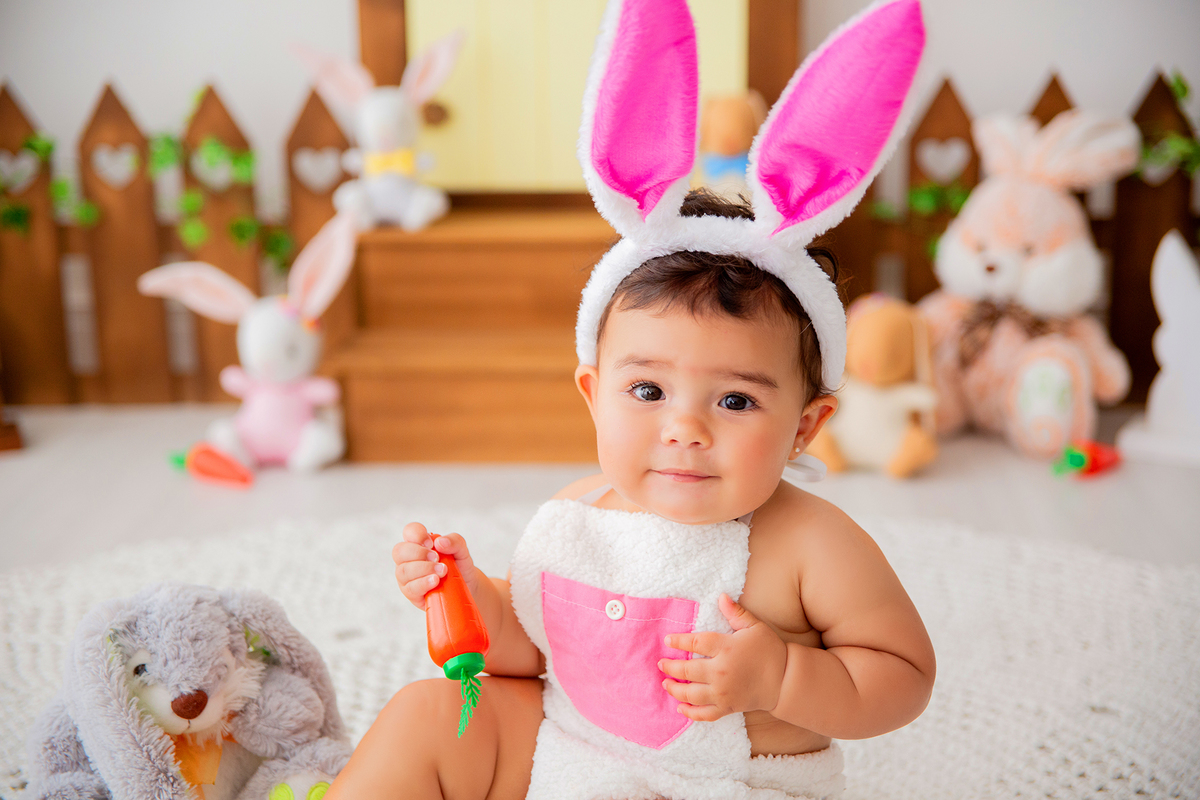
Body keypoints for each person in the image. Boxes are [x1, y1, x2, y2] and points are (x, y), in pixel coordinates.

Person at [327, 1, 931, 797]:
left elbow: (903, 674)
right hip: (570, 759)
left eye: (737, 403)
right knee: (429, 713)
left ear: (806, 427)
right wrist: (473, 599)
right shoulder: (581, 517)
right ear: (592, 394)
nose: (684, 429)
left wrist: (782, 676)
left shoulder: (812, 545)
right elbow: (537, 655)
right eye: (647, 389)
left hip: (732, 785)